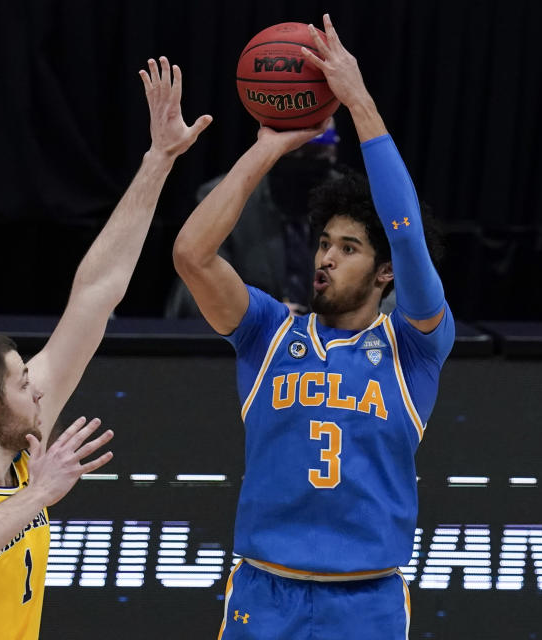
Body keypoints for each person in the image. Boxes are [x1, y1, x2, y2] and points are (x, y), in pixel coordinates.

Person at [0, 57, 211, 640]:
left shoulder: (19, 447)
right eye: (21, 382)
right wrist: (37, 495)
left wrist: (159, 160)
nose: (38, 386)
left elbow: (95, 294)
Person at [172, 15, 453, 640]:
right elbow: (191, 254)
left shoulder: (415, 348)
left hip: (366, 600)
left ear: (385, 273)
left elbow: (406, 236)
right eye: (324, 243)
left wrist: (359, 103)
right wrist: (269, 146)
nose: (325, 257)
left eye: (348, 248)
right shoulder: (269, 332)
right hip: (262, 592)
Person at [165, 122, 340, 318]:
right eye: (298, 151)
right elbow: (194, 295)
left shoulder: (349, 201)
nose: (307, 161)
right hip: (248, 338)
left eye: (320, 150)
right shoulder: (225, 201)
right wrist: (263, 315)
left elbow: (372, 288)